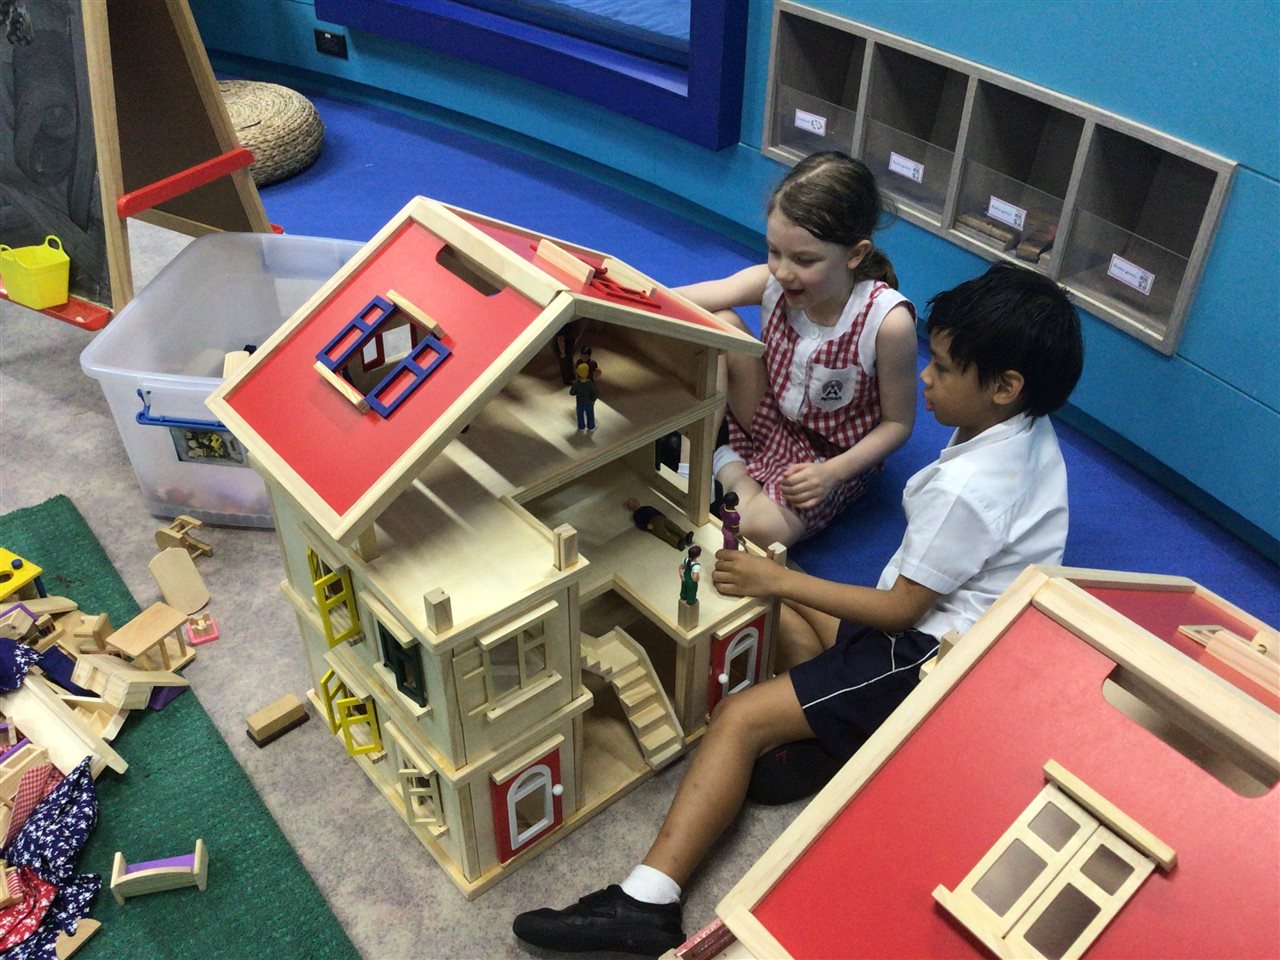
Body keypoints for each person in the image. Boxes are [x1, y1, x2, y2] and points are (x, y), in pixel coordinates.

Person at [512, 262, 1084, 957]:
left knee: (739, 714)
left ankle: (647, 901)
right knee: (783, 605)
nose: (925, 378)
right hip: (950, 632)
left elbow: (900, 611)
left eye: (940, 366)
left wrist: (774, 579)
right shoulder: (1024, 433)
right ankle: (824, 734)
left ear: (1004, 386)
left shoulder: (970, 488)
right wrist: (780, 586)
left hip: (926, 663)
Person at [673, 151, 918, 549]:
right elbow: (678, 300)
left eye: (804, 260)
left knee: (759, 530)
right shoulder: (771, 282)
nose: (783, 272)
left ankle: (726, 465)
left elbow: (898, 424)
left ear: (855, 254)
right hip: (771, 417)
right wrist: (611, 293)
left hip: (828, 458)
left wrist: (832, 474)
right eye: (774, 252)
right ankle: (689, 468)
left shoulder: (887, 322)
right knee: (718, 324)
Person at [569, 360, 598, 432]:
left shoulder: (576, 383)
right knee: (590, 414)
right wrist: (593, 400)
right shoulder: (590, 383)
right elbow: (595, 393)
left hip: (580, 402)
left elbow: (572, 393)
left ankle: (581, 427)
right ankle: (591, 427)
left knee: (580, 415)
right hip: (589, 402)